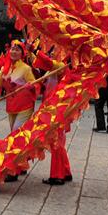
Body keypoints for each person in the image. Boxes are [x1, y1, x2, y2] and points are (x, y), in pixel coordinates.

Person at [0, 40, 37, 182]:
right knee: (18, 137)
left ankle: (13, 170)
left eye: (18, 50)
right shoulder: (4, 69)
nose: (14, 52)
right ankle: (21, 163)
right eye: (12, 49)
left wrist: (31, 87)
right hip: (11, 106)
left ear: (22, 53)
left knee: (15, 137)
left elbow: (36, 85)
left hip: (25, 106)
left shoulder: (26, 69)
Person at [33, 50, 72, 186]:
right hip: (53, 109)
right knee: (58, 142)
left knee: (56, 142)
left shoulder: (61, 67)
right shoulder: (55, 70)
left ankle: (57, 175)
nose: (54, 53)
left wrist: (35, 51)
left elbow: (48, 63)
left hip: (58, 110)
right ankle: (65, 171)